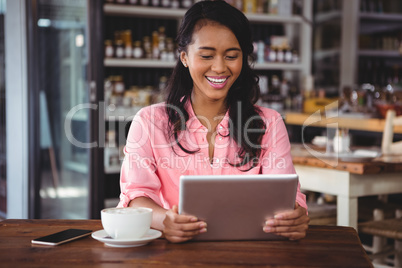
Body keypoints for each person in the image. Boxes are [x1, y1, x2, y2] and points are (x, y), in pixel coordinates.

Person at [118, 0, 309, 243]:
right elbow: (136, 195)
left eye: (231, 56)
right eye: (207, 55)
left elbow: (288, 197)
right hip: (172, 255)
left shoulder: (269, 123)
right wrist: (165, 220)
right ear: (185, 57)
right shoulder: (149, 122)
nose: (219, 67)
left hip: (251, 253)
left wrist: (294, 216)